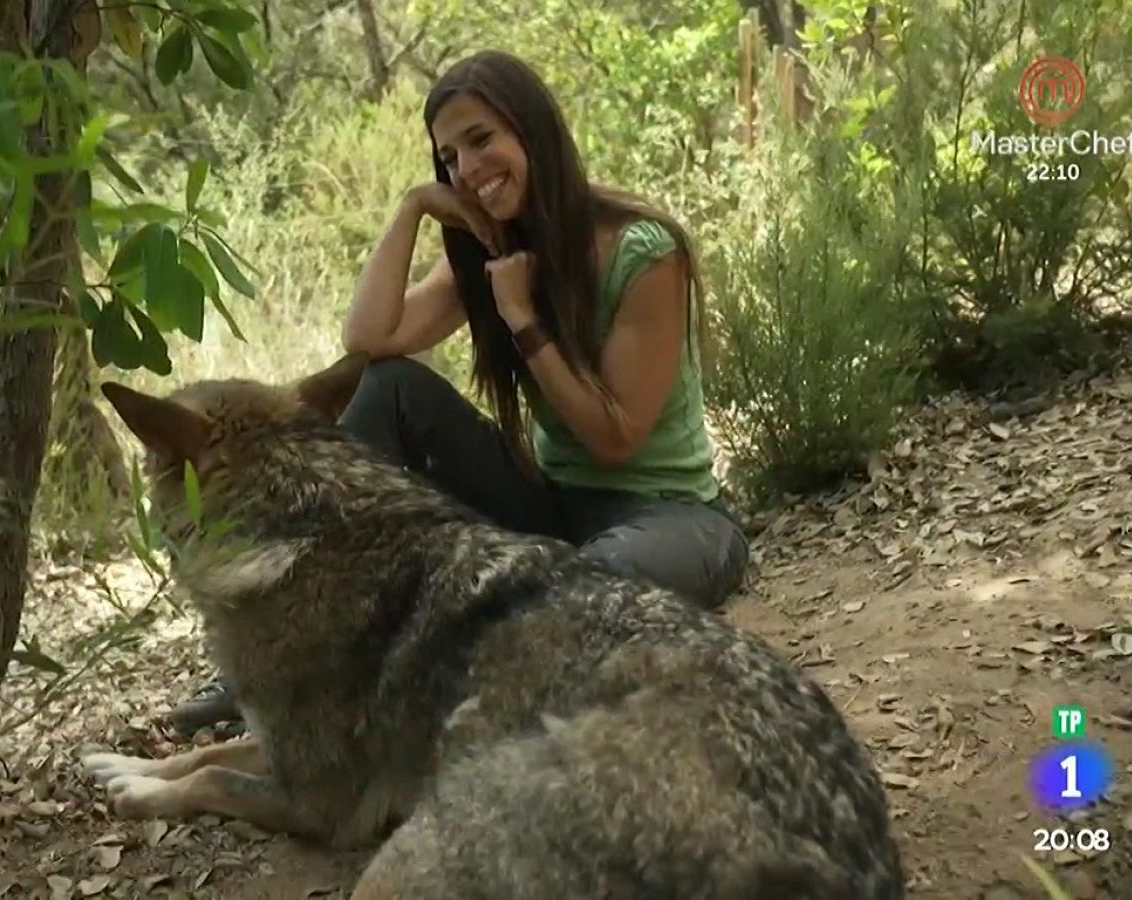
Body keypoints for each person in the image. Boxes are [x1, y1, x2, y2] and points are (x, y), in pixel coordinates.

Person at [168, 50, 750, 736]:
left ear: (531, 131)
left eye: (481, 140)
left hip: (672, 520)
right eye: (448, 157)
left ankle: (440, 695)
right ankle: (283, 651)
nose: (467, 169)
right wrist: (415, 206)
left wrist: (523, 320)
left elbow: (615, 440)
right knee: (389, 389)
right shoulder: (487, 253)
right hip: (550, 510)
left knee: (586, 580)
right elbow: (370, 335)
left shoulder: (642, 251)